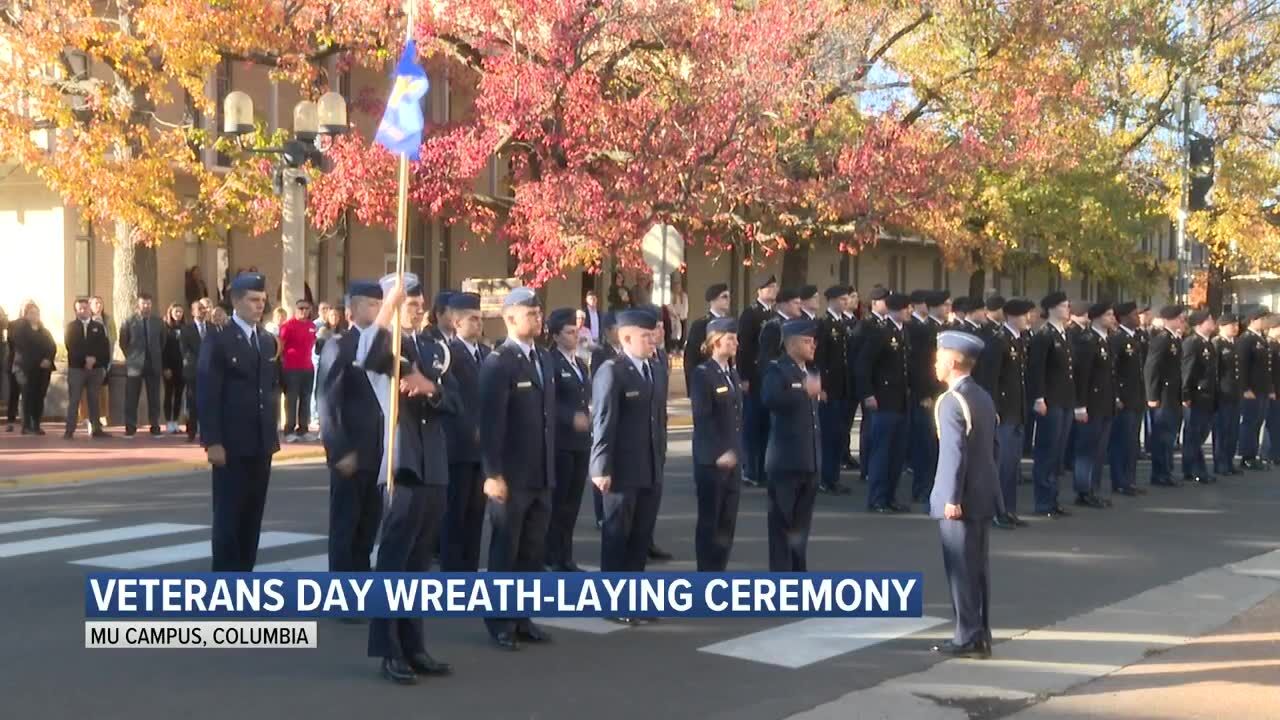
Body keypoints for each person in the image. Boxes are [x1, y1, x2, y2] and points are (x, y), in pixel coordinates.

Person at [360, 273, 457, 684]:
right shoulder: (387, 344)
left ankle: (414, 644)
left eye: (419, 299)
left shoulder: (433, 348)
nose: (416, 305)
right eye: (408, 299)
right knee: (394, 562)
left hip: (433, 462)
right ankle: (389, 649)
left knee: (419, 564)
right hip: (402, 462)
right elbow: (367, 355)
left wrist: (429, 387)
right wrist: (388, 307)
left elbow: (454, 400)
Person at [479, 287, 555, 650]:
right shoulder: (499, 362)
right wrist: (492, 473)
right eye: (530, 314)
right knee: (505, 550)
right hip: (510, 475)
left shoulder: (543, 358)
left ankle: (523, 617)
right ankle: (499, 621)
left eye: (539, 313)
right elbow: (491, 424)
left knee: (532, 551)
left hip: (540, 473)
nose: (537, 319)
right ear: (510, 319)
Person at [197, 272, 280, 571]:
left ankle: (245, 577)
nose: (260, 305)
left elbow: (270, 390)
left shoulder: (267, 341)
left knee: (252, 516)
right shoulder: (219, 338)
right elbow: (208, 391)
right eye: (253, 300)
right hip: (231, 443)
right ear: (236, 301)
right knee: (229, 516)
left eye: (262, 300)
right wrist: (213, 440)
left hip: (260, 442)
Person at [591, 308, 664, 622]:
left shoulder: (655, 369)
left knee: (640, 537)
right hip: (621, 469)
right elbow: (604, 421)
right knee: (617, 537)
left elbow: (657, 421)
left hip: (649, 467)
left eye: (653, 335)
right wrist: (600, 467)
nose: (652, 341)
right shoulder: (613, 370)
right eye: (645, 336)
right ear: (626, 338)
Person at [929, 331, 998, 659]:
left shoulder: (951, 401)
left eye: (939, 358)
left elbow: (954, 454)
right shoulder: (982, 396)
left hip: (961, 498)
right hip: (982, 493)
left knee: (961, 570)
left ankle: (966, 636)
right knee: (977, 569)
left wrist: (951, 498)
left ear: (953, 361)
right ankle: (979, 632)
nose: (935, 363)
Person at [318, 281, 387, 578]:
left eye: (379, 304)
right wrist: (339, 450)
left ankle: (360, 581)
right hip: (352, 451)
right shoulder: (340, 345)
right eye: (370, 304)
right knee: (346, 522)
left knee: (369, 524)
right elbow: (328, 402)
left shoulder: (386, 346)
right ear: (352, 310)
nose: (377, 309)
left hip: (380, 450)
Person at [761, 318, 822, 571]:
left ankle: (798, 573)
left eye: (813, 342)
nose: (812, 346)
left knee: (801, 525)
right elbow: (770, 398)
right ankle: (781, 576)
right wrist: (802, 392)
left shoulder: (810, 371)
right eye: (807, 342)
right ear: (792, 344)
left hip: (809, 459)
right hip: (786, 461)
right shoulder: (778, 370)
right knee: (782, 522)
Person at [536, 307, 593, 572]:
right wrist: (571, 417)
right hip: (560, 443)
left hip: (581, 443)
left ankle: (565, 555)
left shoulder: (580, 363)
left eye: (577, 331)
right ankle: (551, 554)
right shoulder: (550, 361)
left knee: (572, 504)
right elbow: (548, 401)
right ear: (556, 335)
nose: (575, 336)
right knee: (558, 503)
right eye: (569, 332)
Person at [689, 318, 743, 571]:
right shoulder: (703, 374)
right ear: (715, 341)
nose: (736, 343)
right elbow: (703, 418)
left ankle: (719, 572)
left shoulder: (731, 372)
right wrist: (718, 452)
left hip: (732, 459)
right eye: (730, 338)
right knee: (711, 520)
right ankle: (706, 574)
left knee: (728, 521)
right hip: (712, 460)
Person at [441, 292, 490, 572]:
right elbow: (451, 399)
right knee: (455, 512)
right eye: (472, 319)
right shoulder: (449, 354)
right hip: (458, 446)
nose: (478, 324)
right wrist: (471, 429)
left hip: (482, 448)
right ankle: (452, 572)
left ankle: (469, 569)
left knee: (475, 512)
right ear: (456, 322)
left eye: (480, 319)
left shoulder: (485, 354)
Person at [857, 291, 913, 513]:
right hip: (883, 399)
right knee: (882, 452)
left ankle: (891, 496)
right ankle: (877, 497)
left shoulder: (903, 333)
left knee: (897, 453)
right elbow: (863, 365)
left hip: (901, 400)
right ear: (896, 310)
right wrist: (868, 393)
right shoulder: (880, 333)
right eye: (906, 308)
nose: (910, 311)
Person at [1027, 292, 1076, 516]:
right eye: (1064, 306)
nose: (1068, 309)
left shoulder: (1064, 335)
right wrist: (1038, 398)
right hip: (1050, 400)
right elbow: (1036, 370)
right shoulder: (1044, 335)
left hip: (1064, 400)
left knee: (1058, 451)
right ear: (1053, 308)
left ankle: (1053, 497)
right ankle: (1043, 500)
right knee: (1047, 451)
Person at [991, 298, 1033, 526]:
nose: (1029, 318)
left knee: (1012, 466)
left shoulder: (1019, 341)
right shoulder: (1000, 341)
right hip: (1005, 413)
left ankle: (1009, 510)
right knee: (1003, 465)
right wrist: (994, 408)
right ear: (1012, 316)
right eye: (1025, 314)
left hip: (1017, 412)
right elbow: (992, 380)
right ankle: (998, 512)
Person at [1071, 302, 1116, 509]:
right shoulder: (1088, 340)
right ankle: (1083, 489)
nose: (1112, 318)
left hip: (1105, 402)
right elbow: (1083, 376)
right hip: (1091, 402)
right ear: (1096, 317)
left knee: (1099, 449)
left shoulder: (1106, 340)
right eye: (1108, 314)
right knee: (1087, 449)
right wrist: (1080, 405)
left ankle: (1093, 488)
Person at [736, 274, 778, 488]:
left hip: (768, 376)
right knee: (752, 426)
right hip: (753, 376)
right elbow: (743, 348)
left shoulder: (774, 314)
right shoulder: (750, 314)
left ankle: (762, 468)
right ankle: (750, 469)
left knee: (765, 425)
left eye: (774, 286)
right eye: (767, 287)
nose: (772, 290)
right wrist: (743, 376)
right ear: (759, 291)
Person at [906, 290, 942, 504]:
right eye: (944, 304)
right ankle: (922, 488)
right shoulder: (921, 330)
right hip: (927, 395)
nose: (948, 308)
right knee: (924, 446)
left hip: (941, 393)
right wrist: (925, 394)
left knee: (936, 447)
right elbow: (920, 367)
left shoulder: (942, 328)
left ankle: (934, 486)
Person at [816, 285, 853, 495]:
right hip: (829, 388)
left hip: (843, 387)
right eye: (842, 299)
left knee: (840, 434)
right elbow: (820, 358)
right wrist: (820, 386)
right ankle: (825, 478)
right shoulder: (825, 324)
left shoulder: (843, 324)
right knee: (829, 434)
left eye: (847, 299)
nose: (845, 303)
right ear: (831, 300)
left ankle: (834, 477)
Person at [1145, 305, 1187, 486]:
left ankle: (1166, 470)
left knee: (1169, 435)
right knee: (1162, 436)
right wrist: (1152, 395)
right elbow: (1151, 368)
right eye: (1181, 318)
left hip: (1173, 394)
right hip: (1163, 395)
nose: (1183, 322)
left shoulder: (1173, 339)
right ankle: (1160, 473)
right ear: (1171, 319)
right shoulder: (1162, 339)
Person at [1109, 302, 1146, 497]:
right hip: (1124, 398)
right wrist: (1116, 395)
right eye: (1134, 315)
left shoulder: (1135, 338)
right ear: (1123, 318)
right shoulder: (1118, 339)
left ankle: (1129, 480)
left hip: (1136, 397)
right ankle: (1120, 480)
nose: (1137, 317)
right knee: (1121, 441)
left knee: (1132, 442)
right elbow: (1113, 371)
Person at [64, 297, 110, 439]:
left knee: (94, 399)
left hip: (95, 369)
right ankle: (69, 430)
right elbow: (71, 346)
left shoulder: (99, 327)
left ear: (90, 309)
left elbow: (103, 347)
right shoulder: (71, 327)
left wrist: (95, 360)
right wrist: (85, 360)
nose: (83, 311)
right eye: (80, 309)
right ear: (76, 311)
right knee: (75, 399)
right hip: (77, 369)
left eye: (85, 308)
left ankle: (96, 428)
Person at [1181, 309, 1218, 484]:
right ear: (1199, 323)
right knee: (1194, 434)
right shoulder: (1192, 343)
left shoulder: (1208, 343)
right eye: (1209, 320)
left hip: (1208, 396)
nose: (1213, 323)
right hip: (1196, 395)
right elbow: (1186, 371)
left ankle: (1190, 467)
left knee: (1201, 433)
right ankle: (1196, 469)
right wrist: (1185, 394)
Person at [119, 293, 164, 436]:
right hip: (135, 365)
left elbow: (162, 341)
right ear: (138, 305)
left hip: (153, 363)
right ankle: (130, 426)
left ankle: (155, 424)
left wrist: (156, 354)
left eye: (149, 304)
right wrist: (131, 356)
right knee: (131, 397)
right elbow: (123, 342)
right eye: (144, 303)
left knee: (154, 397)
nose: (146, 306)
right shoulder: (129, 321)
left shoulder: (158, 322)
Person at [12, 302, 56, 435]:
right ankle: (26, 425)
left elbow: (52, 347)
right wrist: (38, 361)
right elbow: (23, 349)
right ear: (25, 315)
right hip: (25, 369)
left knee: (39, 396)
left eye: (37, 313)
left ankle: (36, 423)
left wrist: (48, 359)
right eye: (31, 313)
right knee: (28, 395)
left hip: (43, 370)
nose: (35, 316)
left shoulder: (45, 331)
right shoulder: (20, 330)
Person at [278, 299, 319, 442]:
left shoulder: (312, 326)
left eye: (306, 308)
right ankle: (289, 430)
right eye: (301, 308)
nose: (304, 311)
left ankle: (303, 429)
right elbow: (280, 345)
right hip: (291, 368)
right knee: (291, 399)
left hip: (307, 367)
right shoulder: (288, 326)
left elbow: (313, 343)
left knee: (306, 399)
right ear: (295, 310)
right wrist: (280, 362)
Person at [1237, 308, 1272, 470]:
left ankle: (1253, 454)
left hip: (1262, 388)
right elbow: (1241, 366)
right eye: (1263, 319)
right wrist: (1244, 388)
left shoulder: (1261, 338)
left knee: (1258, 422)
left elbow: (1267, 367)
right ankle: (1247, 456)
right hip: (1251, 389)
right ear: (1253, 320)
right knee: (1249, 423)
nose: (1265, 322)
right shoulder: (1246, 339)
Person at [683, 283, 730, 390]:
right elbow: (691, 357)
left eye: (728, 297)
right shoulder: (701, 325)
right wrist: (692, 385)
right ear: (713, 300)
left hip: (725, 377)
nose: (728, 300)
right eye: (724, 297)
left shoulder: (729, 323)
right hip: (707, 379)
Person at [181, 300, 211, 442]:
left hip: (210, 372)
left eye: (203, 308)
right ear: (193, 312)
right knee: (193, 402)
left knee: (208, 402)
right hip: (194, 371)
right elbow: (185, 350)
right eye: (198, 309)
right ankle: (191, 432)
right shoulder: (186, 329)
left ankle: (207, 432)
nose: (201, 311)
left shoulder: (211, 328)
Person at [161, 303, 186, 434]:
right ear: (170, 312)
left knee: (179, 394)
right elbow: (163, 348)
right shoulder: (165, 327)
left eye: (180, 312)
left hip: (181, 366)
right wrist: (165, 367)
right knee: (169, 393)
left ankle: (176, 421)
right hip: (169, 366)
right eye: (176, 311)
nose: (178, 314)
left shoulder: (185, 328)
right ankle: (168, 421)